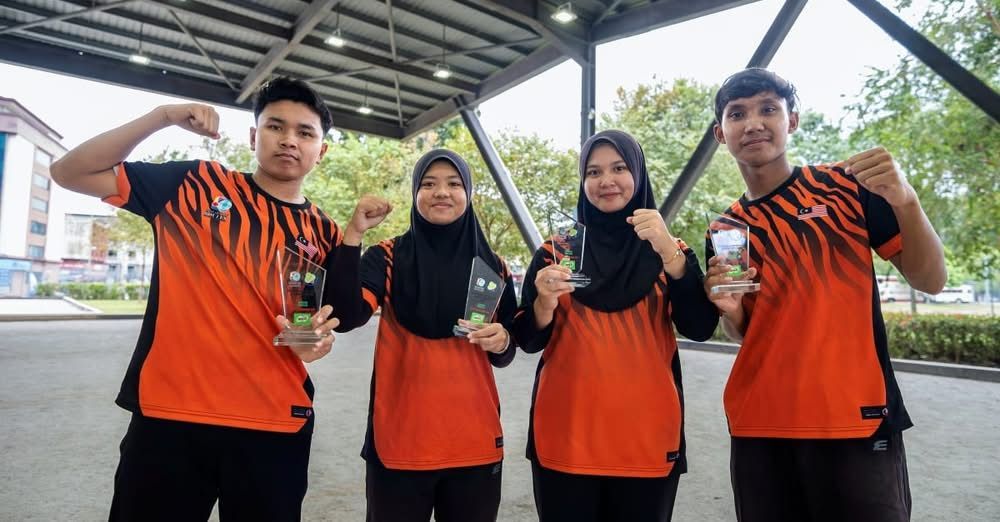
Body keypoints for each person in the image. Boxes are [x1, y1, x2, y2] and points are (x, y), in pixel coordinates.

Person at [49, 76, 388, 521]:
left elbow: (312, 323)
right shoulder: (193, 184)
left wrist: (312, 343)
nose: (289, 140)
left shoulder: (321, 231)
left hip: (274, 424)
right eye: (275, 126)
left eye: (305, 132)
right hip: (171, 419)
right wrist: (162, 117)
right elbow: (69, 172)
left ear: (320, 151)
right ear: (253, 136)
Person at [705, 68, 947, 522]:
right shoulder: (726, 229)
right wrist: (730, 311)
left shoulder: (847, 188)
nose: (753, 123)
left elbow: (931, 280)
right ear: (721, 133)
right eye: (737, 114)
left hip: (855, 418)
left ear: (792, 121)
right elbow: (744, 332)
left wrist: (907, 201)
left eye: (768, 109)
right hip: (760, 422)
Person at [512, 130, 719, 521]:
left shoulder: (669, 250)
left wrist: (670, 256)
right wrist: (543, 303)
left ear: (638, 174)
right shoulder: (557, 251)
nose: (606, 180)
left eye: (619, 168)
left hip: (647, 440)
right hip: (566, 437)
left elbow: (699, 327)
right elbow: (527, 339)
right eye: (593, 172)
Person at [328, 149, 517, 522]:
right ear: (416, 193)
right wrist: (354, 234)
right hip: (399, 443)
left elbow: (506, 350)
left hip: (475, 443)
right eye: (428, 184)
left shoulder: (492, 266)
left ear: (468, 194)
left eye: (454, 183)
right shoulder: (387, 257)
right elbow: (346, 316)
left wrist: (503, 340)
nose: (441, 192)